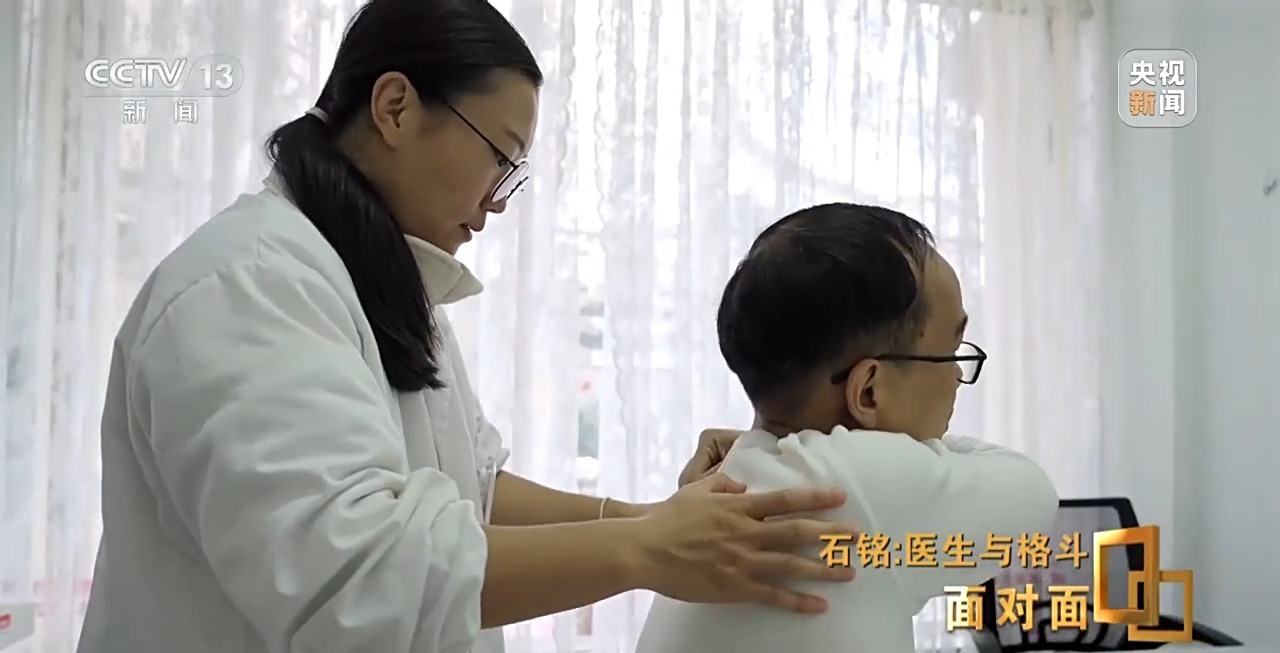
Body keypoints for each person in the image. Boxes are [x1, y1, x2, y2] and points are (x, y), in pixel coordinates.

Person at [75, 2, 859, 652]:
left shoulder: (378, 279)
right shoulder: (244, 285)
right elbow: (360, 572)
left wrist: (655, 518)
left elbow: (469, 491)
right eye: (500, 158)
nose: (498, 201)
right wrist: (647, 548)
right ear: (394, 106)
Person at [635, 203, 1060, 653]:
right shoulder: (858, 483)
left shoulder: (729, 479)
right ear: (869, 392)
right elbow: (1034, 496)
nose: (957, 375)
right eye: (950, 353)